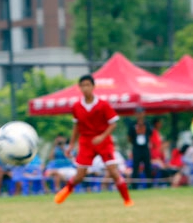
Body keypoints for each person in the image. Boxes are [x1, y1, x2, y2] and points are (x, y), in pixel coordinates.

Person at [54, 75, 133, 206]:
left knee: (113, 171)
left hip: (103, 141)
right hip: (86, 142)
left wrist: (102, 136)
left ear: (93, 87)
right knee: (80, 175)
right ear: (79, 88)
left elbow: (113, 123)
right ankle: (64, 193)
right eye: (82, 85)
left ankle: (127, 199)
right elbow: (77, 126)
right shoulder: (77, 106)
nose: (85, 88)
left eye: (88, 85)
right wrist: (72, 144)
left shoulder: (103, 105)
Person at [127, 110, 152, 186]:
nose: (140, 115)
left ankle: (149, 185)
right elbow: (129, 136)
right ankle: (134, 185)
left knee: (147, 166)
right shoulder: (133, 124)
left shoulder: (147, 124)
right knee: (135, 166)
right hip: (136, 148)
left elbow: (150, 134)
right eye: (138, 113)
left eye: (141, 113)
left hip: (145, 147)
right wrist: (134, 143)